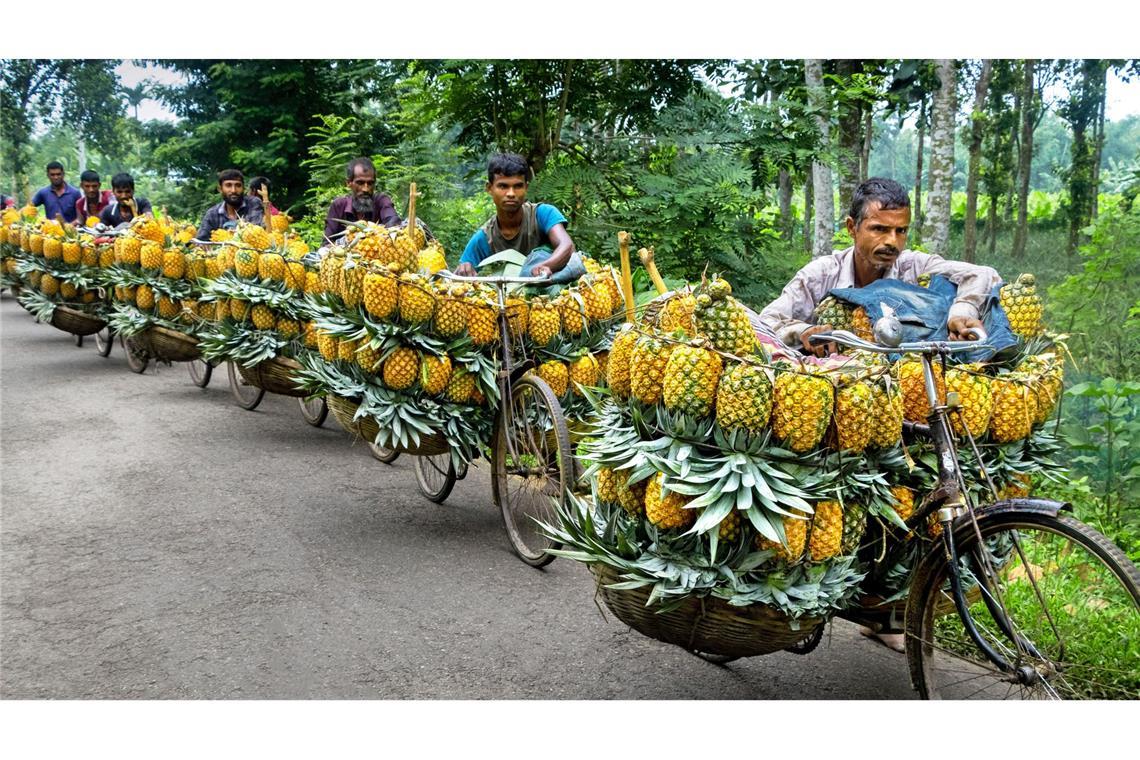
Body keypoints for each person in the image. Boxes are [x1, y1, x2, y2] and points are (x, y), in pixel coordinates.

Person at [758, 177, 1000, 358]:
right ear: (852, 228)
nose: (892, 242)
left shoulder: (914, 267)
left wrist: (962, 313)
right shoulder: (821, 275)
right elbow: (766, 321)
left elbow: (983, 274)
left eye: (901, 231)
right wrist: (803, 330)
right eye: (879, 229)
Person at [455, 152, 581, 282]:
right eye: (503, 186)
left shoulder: (543, 214)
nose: (511, 193)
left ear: (526, 187)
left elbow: (566, 245)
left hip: (554, 296)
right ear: (489, 188)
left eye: (518, 186)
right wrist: (465, 268)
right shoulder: (484, 238)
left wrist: (546, 266)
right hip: (508, 300)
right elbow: (460, 273)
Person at [323, 158, 401, 240]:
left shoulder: (381, 201)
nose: (366, 189)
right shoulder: (339, 206)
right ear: (349, 183)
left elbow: (393, 221)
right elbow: (327, 242)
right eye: (360, 183)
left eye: (370, 183)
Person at [196, 168, 264, 241]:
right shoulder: (212, 213)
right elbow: (201, 240)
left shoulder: (253, 204)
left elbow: (255, 233)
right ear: (220, 189)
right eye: (228, 185)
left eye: (238, 185)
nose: (233, 190)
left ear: (243, 188)